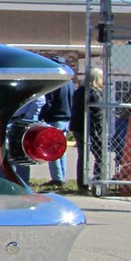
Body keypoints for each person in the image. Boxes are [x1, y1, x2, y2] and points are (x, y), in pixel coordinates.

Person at [40, 57, 74, 188]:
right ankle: (62, 176)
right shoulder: (69, 82)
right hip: (66, 118)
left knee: (52, 149)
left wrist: (41, 116)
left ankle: (57, 178)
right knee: (61, 150)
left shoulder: (56, 82)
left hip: (54, 118)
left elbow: (48, 102)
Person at [70, 67, 103, 191]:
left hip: (78, 127)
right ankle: (98, 180)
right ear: (96, 79)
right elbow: (97, 114)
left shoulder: (79, 91)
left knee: (82, 156)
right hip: (92, 129)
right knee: (100, 154)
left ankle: (82, 184)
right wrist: (100, 131)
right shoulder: (94, 93)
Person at [12, 95, 45, 184]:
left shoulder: (33, 85)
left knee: (21, 152)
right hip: (10, 118)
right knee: (9, 152)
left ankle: (23, 181)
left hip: (23, 120)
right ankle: (11, 180)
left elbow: (39, 100)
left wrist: (28, 117)